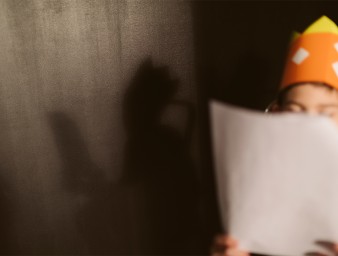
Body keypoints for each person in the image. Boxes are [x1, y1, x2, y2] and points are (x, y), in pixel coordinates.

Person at [211, 15, 338, 256]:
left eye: (325, 114)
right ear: (277, 114)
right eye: (296, 111)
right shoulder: (254, 192)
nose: (308, 126)